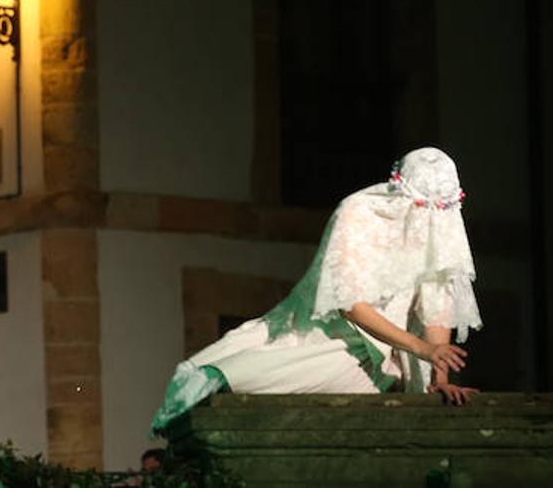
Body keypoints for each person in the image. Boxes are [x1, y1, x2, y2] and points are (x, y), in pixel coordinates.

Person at [151, 147, 481, 433]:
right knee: (275, 369)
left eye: (440, 210)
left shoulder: (443, 226)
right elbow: (349, 304)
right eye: (423, 207)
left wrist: (439, 378)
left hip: (388, 355)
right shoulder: (356, 212)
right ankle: (213, 384)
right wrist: (421, 348)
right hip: (334, 329)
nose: (430, 218)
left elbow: (437, 303)